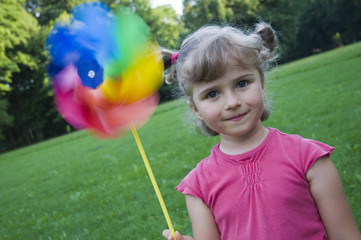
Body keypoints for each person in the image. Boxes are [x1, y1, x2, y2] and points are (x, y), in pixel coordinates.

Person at [160, 22, 361, 240]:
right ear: (195, 108)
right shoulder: (199, 187)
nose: (232, 102)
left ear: (262, 84)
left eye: (242, 83)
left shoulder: (309, 159)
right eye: (211, 94)